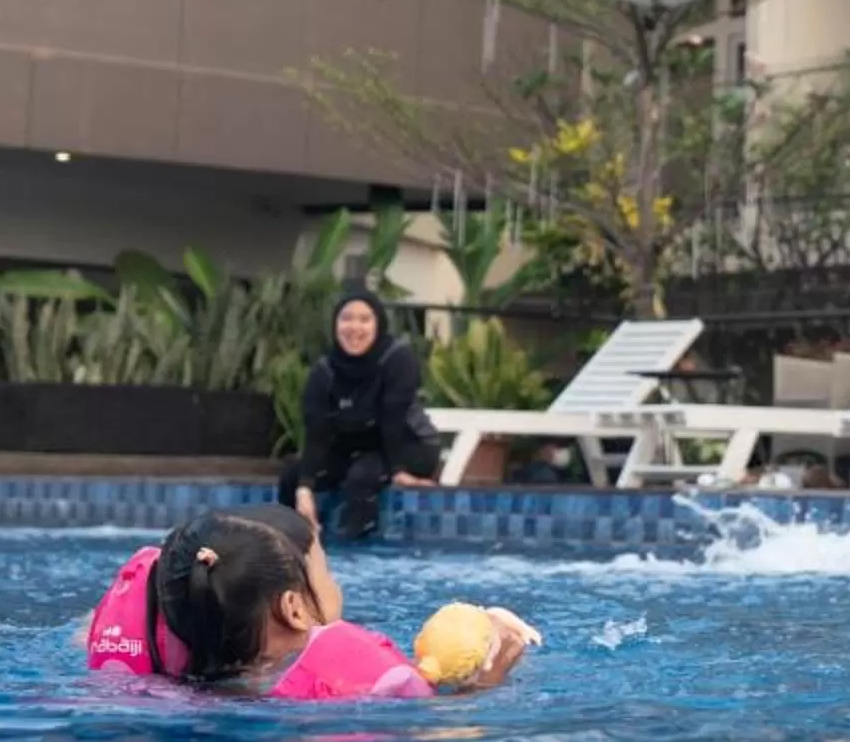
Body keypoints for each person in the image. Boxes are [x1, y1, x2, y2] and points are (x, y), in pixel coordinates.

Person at [83, 501, 536, 697]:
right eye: (327, 571)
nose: (336, 586)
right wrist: (485, 685)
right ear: (295, 608)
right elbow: (427, 733)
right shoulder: (354, 681)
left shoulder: (171, 663)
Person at [289, 288, 442, 544]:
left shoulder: (397, 358)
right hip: (358, 447)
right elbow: (317, 432)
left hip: (408, 445)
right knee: (292, 475)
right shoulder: (325, 369)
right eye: (347, 318)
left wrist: (399, 471)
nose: (354, 327)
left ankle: (354, 553)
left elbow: (393, 417)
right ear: (336, 324)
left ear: (378, 324)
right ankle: (292, 549)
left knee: (361, 478)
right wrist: (304, 487)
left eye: (364, 319)